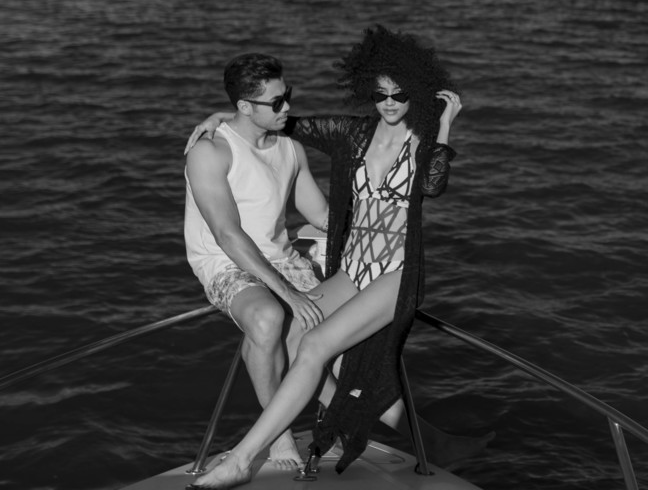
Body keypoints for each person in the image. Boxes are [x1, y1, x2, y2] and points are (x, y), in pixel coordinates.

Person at [187, 26, 474, 489]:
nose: (390, 102)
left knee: (317, 347)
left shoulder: (423, 140)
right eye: (380, 93)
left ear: (416, 90)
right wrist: (222, 114)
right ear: (367, 91)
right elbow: (278, 122)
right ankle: (416, 438)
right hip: (352, 269)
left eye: (400, 93)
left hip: (397, 274)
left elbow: (432, 185)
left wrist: (442, 124)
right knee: (290, 340)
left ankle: (243, 457)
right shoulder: (352, 133)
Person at [183, 53, 329, 470]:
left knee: (339, 331)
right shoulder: (210, 152)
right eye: (277, 103)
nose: (288, 109)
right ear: (244, 107)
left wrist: (383, 226)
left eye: (289, 97)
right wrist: (288, 295)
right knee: (268, 318)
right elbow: (228, 235)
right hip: (225, 260)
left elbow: (320, 216)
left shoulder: (291, 149)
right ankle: (278, 433)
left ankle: (411, 432)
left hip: (281, 258)